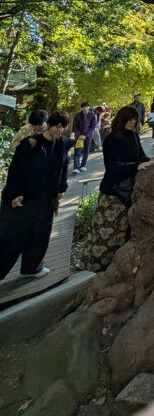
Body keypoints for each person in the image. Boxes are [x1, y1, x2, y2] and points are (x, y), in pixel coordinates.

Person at [0, 111, 74, 282]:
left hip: (47, 198)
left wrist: (61, 188)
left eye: (63, 127)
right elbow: (15, 171)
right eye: (57, 126)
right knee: (13, 236)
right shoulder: (31, 143)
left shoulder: (62, 144)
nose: (60, 130)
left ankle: (31, 268)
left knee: (40, 236)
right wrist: (14, 194)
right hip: (26, 198)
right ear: (49, 125)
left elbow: (63, 167)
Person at [99, 106, 153, 207]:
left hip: (130, 188)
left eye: (135, 119)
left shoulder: (134, 135)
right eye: (130, 119)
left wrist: (150, 160)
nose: (133, 122)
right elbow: (113, 166)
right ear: (122, 120)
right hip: (114, 191)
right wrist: (137, 166)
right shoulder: (111, 139)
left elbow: (140, 155)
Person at [71, 102, 98, 175]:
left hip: (88, 136)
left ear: (89, 107)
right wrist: (79, 135)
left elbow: (93, 127)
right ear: (81, 108)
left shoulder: (93, 115)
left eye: (86, 107)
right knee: (77, 152)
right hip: (78, 136)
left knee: (86, 150)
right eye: (83, 107)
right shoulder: (78, 116)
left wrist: (85, 135)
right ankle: (76, 168)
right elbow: (74, 127)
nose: (85, 108)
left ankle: (83, 165)